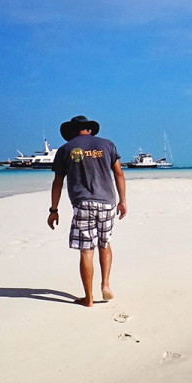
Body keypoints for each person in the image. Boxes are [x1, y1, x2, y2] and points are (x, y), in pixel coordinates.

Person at [48, 115, 127, 307]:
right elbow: (118, 173)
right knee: (105, 243)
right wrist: (123, 201)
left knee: (86, 251)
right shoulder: (107, 145)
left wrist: (54, 209)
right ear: (89, 129)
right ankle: (106, 284)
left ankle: (89, 298)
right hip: (107, 203)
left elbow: (58, 182)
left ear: (73, 131)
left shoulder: (65, 149)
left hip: (83, 204)